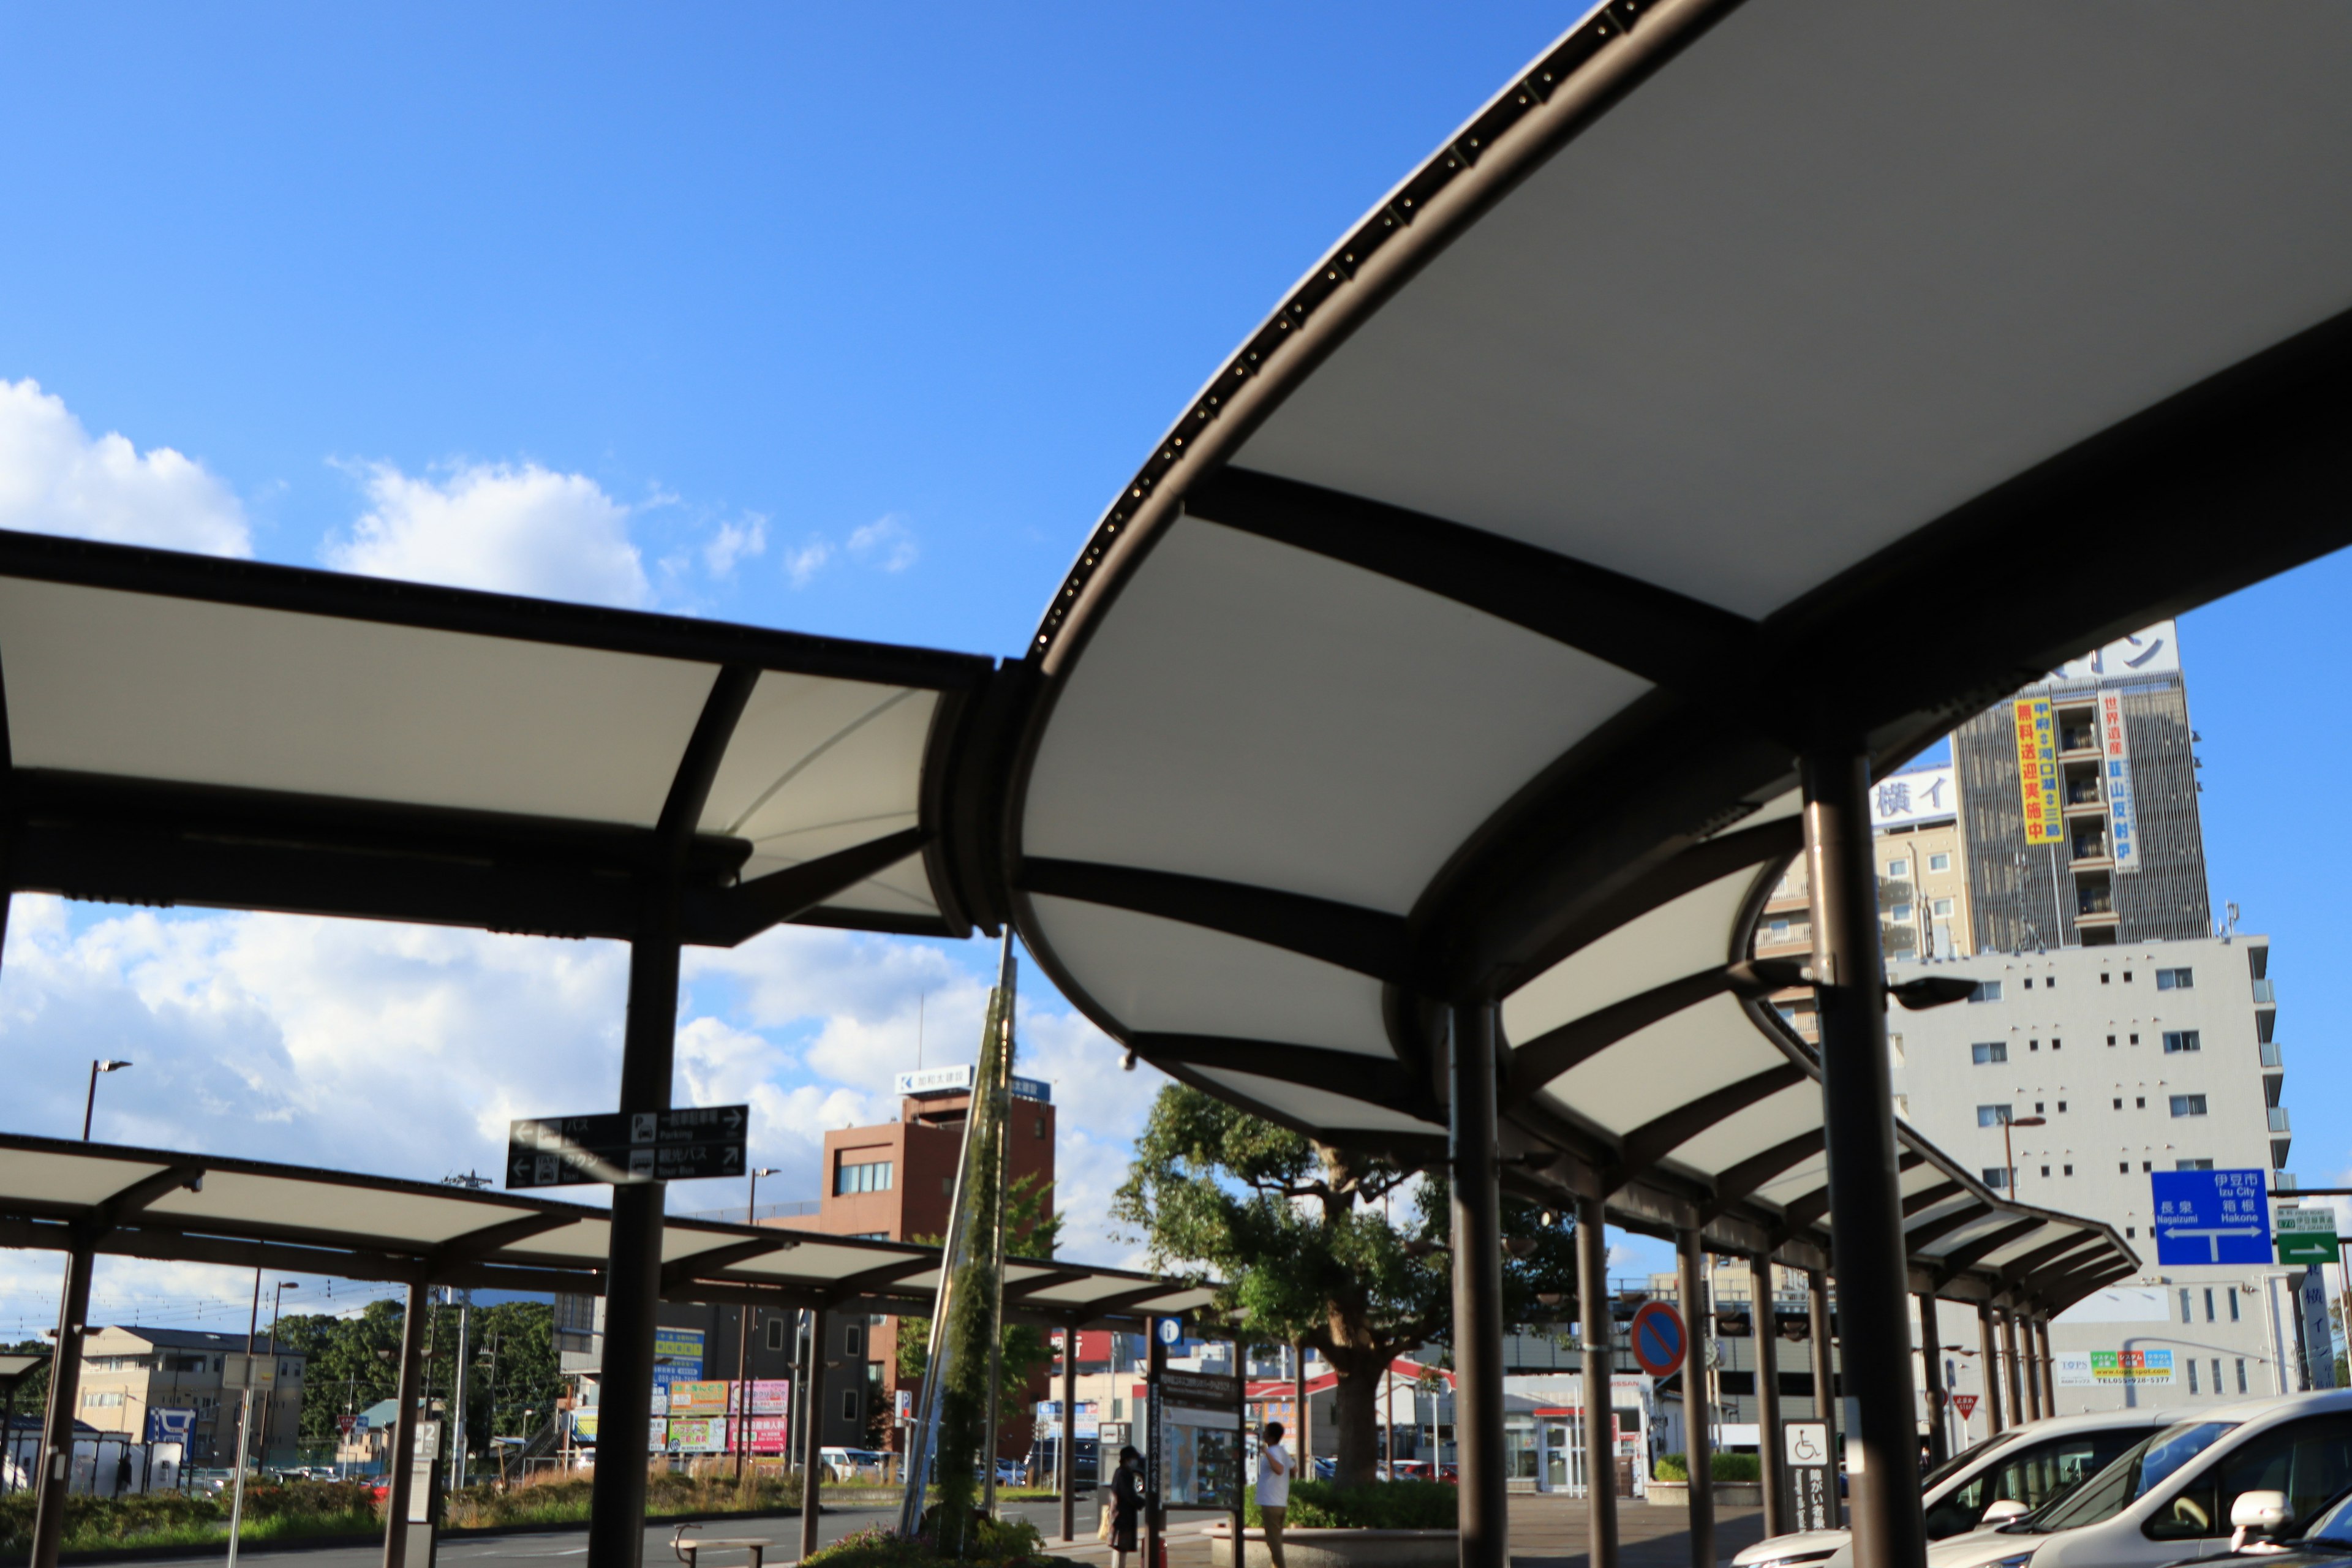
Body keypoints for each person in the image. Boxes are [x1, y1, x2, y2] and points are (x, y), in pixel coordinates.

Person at [1256, 1421, 1293, 1568]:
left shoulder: (1272, 1451)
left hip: (1271, 1502)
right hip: (1280, 1501)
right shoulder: (1283, 1451)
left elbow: (1279, 1469)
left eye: (1266, 1431)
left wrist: (1266, 1452)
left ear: (1271, 1437)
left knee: (1273, 1541)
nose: (1263, 1433)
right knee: (1275, 1539)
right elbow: (1294, 1468)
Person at [1110, 1444, 1144, 1568]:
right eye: (1133, 1458)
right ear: (1127, 1459)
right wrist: (1141, 1502)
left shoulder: (1120, 1472)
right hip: (1123, 1518)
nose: (1135, 1461)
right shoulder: (1124, 1474)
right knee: (1120, 1547)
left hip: (1120, 1517)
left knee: (1120, 1548)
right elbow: (1128, 1495)